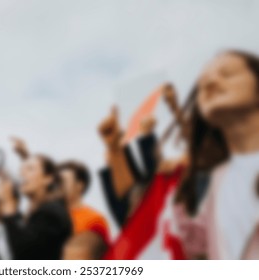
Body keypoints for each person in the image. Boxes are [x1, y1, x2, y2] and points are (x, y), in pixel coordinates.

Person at [104, 50, 259, 260]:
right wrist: (114, 148)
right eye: (202, 84)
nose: (211, 82)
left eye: (228, 73)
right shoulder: (207, 191)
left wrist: (174, 107)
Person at [0, 154, 72, 259]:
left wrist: (8, 204)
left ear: (48, 178)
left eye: (30, 169)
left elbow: (25, 255)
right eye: (21, 170)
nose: (22, 174)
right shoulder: (39, 212)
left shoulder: (52, 213)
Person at [58, 161, 110, 244]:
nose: (58, 185)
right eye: (56, 181)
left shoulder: (94, 220)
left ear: (79, 186)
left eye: (63, 181)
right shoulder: (51, 217)